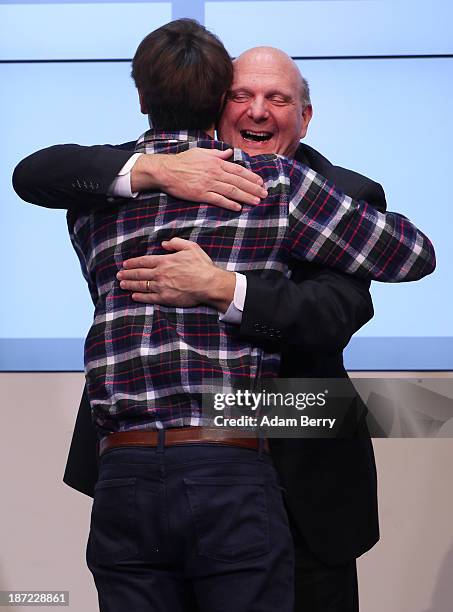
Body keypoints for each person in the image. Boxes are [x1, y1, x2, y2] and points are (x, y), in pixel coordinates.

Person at [12, 38, 436, 612]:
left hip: (301, 479)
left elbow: (333, 317)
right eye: (243, 94)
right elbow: (37, 171)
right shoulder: (139, 175)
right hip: (164, 470)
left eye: (277, 98)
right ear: (217, 104)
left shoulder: (333, 193)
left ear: (304, 117)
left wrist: (221, 287)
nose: (258, 110)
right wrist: (156, 169)